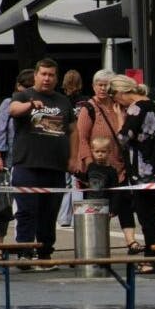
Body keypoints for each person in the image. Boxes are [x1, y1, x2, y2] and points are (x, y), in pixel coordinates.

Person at [9, 58, 78, 265]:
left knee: (49, 213)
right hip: (27, 165)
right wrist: (30, 105)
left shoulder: (63, 101)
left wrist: (73, 158)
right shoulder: (24, 95)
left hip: (55, 166)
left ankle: (45, 252)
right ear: (36, 75)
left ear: (56, 78)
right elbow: (13, 110)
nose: (47, 78)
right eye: (43, 74)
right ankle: (24, 251)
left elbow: (73, 130)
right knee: (26, 211)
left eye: (51, 75)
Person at [109, 75, 155, 273]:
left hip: (142, 170)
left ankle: (152, 260)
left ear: (121, 93)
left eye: (115, 98)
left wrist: (120, 118)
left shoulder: (136, 108)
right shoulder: (153, 105)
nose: (117, 103)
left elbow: (123, 138)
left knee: (146, 216)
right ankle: (154, 257)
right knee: (151, 215)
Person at [76, 70, 140, 254]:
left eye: (106, 85)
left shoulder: (119, 106)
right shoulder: (88, 108)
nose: (103, 88)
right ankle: (93, 247)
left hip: (119, 165)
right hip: (97, 168)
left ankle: (131, 242)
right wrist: (90, 166)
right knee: (97, 207)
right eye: (100, 85)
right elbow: (82, 138)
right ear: (94, 86)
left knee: (125, 204)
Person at [0, 69, 36, 252]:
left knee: (26, 205)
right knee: (4, 204)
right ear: (18, 86)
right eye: (26, 86)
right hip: (9, 160)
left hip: (29, 159)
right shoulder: (8, 103)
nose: (29, 90)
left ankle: (24, 243)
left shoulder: (38, 104)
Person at [57, 69, 89, 227]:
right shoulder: (86, 102)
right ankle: (78, 216)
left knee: (65, 183)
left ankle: (64, 217)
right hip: (81, 143)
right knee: (79, 181)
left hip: (64, 143)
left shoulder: (60, 101)